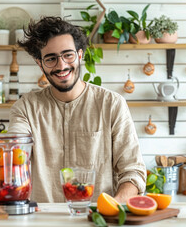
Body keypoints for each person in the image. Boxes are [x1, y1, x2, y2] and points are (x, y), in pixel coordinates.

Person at [8, 16, 146, 203]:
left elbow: (133, 171)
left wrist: (115, 205)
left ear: (80, 55)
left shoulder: (112, 104)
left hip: (98, 220)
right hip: (43, 221)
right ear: (40, 64)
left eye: (68, 55)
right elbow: (15, 153)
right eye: (51, 59)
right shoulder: (25, 108)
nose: (61, 65)